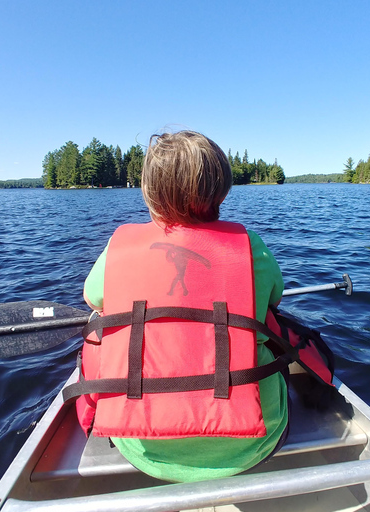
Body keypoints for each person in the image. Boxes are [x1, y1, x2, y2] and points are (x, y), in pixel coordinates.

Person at [77, 130, 288, 483]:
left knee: (101, 321)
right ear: (220, 188)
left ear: (149, 190)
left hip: (144, 451)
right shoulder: (250, 246)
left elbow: (92, 297)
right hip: (255, 445)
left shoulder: (119, 249)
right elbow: (275, 298)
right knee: (266, 322)